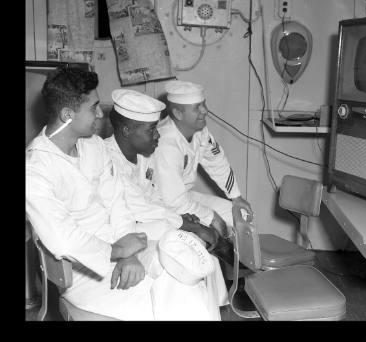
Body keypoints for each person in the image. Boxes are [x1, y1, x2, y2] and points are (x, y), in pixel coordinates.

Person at [25, 68, 222, 320]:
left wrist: (127, 253)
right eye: (93, 107)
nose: (100, 113)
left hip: (123, 250)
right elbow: (64, 240)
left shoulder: (92, 145)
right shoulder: (35, 169)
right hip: (85, 275)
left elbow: (117, 202)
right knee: (180, 292)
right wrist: (116, 251)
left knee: (186, 267)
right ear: (67, 115)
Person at [103, 88, 228, 311]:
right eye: (151, 129)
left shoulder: (143, 156)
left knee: (195, 244)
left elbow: (155, 198)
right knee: (184, 245)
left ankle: (216, 306)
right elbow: (138, 208)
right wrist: (188, 224)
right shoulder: (107, 158)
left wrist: (182, 218)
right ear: (126, 130)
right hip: (117, 236)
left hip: (142, 226)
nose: (157, 135)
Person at [153, 80, 253, 238]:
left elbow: (216, 161)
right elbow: (174, 202)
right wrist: (212, 218)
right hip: (162, 205)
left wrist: (236, 196)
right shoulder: (166, 145)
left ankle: (241, 262)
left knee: (236, 215)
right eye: (197, 107)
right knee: (214, 229)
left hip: (182, 196)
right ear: (179, 114)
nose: (205, 110)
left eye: (204, 104)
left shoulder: (199, 130)